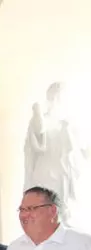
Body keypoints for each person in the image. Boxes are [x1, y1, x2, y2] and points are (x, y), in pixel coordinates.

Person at [24, 82, 90, 226]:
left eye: (62, 97)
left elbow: (84, 150)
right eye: (55, 97)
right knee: (45, 209)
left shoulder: (73, 122)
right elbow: (37, 136)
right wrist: (37, 114)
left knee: (66, 212)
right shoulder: (44, 119)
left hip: (66, 174)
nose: (58, 101)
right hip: (47, 173)